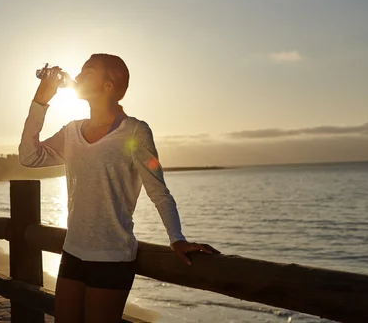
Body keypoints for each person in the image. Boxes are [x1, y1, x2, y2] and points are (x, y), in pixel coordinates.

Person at [19, 53, 220, 323]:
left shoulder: (135, 132)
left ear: (108, 86)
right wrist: (40, 102)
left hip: (112, 258)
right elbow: (29, 157)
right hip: (73, 252)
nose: (77, 76)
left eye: (88, 71)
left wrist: (177, 238)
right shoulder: (72, 132)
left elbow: (158, 190)